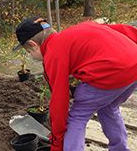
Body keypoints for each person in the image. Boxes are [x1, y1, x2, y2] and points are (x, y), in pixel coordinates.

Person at [13, 16, 137, 151]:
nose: (31, 56)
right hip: (133, 68)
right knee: (108, 107)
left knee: (77, 117)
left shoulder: (53, 53)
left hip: (110, 74)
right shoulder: (79, 30)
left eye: (29, 52)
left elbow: (59, 102)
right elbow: (122, 30)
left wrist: (57, 144)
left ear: (33, 44)